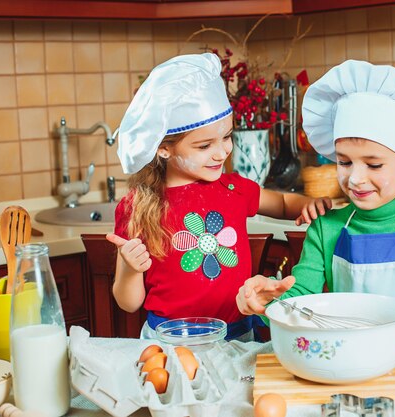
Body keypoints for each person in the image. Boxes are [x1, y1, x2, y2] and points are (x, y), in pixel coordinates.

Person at [236, 60, 395, 347]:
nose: (355, 178)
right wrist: (269, 302)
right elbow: (299, 301)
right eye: (344, 161)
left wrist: (346, 335)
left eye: (374, 164)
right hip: (342, 369)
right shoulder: (326, 227)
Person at [106, 53, 331, 341]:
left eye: (227, 137)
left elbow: (284, 203)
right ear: (163, 148)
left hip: (237, 337)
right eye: (204, 145)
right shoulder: (137, 207)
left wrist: (309, 204)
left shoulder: (234, 188)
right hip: (170, 342)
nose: (222, 152)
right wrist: (129, 268)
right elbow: (129, 302)